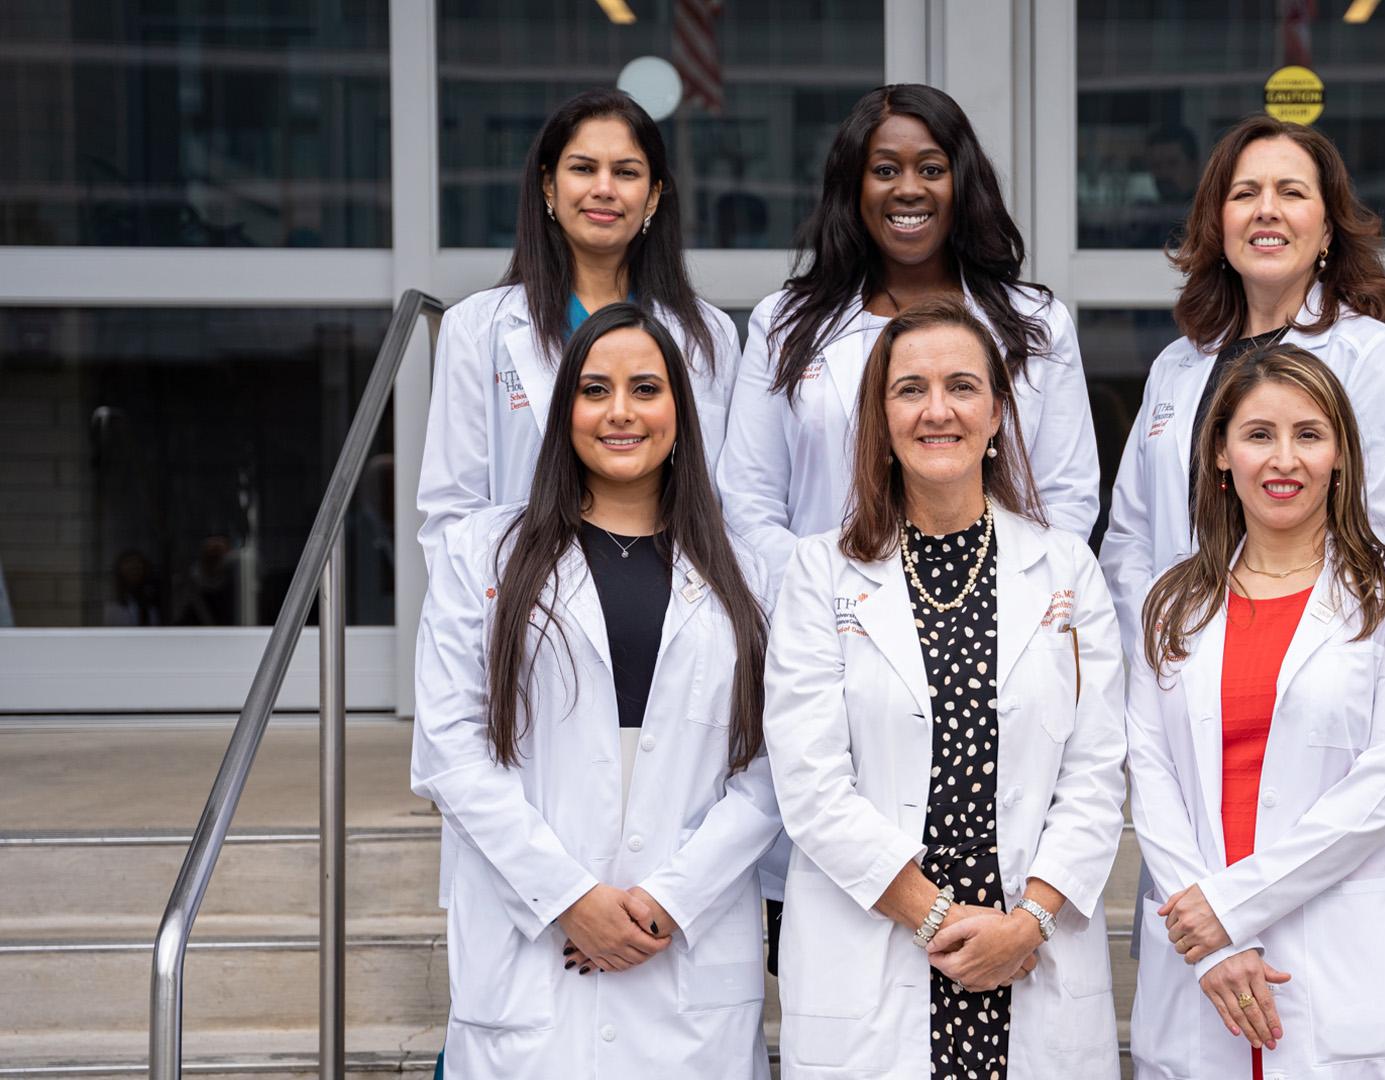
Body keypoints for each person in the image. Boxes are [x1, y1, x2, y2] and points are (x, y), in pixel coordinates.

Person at [412, 304, 781, 1079]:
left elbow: (774, 771)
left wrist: (666, 900)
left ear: (680, 411)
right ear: (563, 411)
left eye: (645, 389)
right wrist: (569, 896)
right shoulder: (482, 552)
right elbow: (449, 752)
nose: (621, 412)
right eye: (594, 390)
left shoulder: (752, 573)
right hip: (530, 960)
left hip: (686, 962)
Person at [761, 298, 1127, 1078]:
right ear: (880, 417)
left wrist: (1025, 924)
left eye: (963, 387)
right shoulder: (818, 572)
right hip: (886, 933)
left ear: (997, 412)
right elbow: (810, 783)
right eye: (909, 389)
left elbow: (1095, 772)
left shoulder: (1066, 569)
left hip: (1024, 950)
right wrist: (937, 919)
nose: (938, 411)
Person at [1125, 343, 1385, 1080]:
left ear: (1340, 456)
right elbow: (1150, 773)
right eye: (1259, 434)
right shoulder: (1170, 603)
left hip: (1331, 962)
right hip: (1199, 962)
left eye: (1309, 434)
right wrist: (1214, 938)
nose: (1284, 460)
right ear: (1219, 454)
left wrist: (1227, 912)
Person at [718, 82, 1100, 596]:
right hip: (826, 621)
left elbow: (1065, 496)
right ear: (853, 187)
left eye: (931, 168)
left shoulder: (1033, 322)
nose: (909, 188)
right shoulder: (785, 324)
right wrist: (829, 595)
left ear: (962, 183)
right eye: (884, 170)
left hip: (994, 615)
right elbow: (749, 499)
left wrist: (990, 601)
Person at [1101, 115, 1385, 656]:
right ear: (1220, 224)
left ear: (1326, 230)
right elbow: (1130, 536)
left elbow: (1381, 536)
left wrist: (1289, 652)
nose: (1266, 208)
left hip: (1308, 660)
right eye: (1245, 193)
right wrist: (1155, 637)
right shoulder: (1175, 365)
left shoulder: (1371, 353)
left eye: (1292, 192)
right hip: (1172, 662)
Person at [419, 87, 739, 564]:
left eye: (626, 172)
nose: (604, 188)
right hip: (526, 606)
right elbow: (453, 512)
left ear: (653, 196)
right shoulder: (477, 328)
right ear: (548, 186)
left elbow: (724, 500)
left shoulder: (707, 335)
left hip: (671, 600)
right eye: (583, 169)